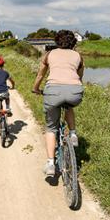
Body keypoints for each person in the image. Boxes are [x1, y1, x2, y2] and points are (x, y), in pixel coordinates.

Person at [32, 30, 84, 176]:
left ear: (57, 41)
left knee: (51, 128)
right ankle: (73, 134)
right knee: (69, 107)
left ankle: (50, 163)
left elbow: (40, 74)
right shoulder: (78, 56)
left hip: (53, 92)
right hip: (75, 91)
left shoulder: (49, 54)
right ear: (73, 42)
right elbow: (80, 75)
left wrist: (35, 88)